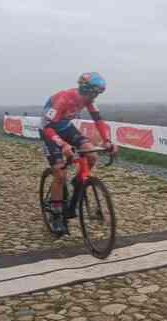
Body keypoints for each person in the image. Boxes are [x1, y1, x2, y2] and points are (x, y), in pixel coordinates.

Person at [39, 72, 117, 235]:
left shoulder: (89, 101)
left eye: (98, 93)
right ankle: (56, 214)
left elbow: (99, 121)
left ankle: (78, 180)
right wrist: (63, 145)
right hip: (49, 131)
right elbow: (47, 126)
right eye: (94, 92)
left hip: (65, 128)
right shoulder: (64, 98)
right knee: (60, 174)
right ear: (85, 89)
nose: (95, 96)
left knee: (92, 154)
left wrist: (108, 141)